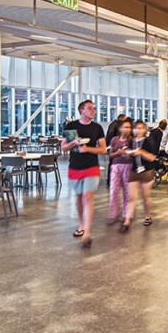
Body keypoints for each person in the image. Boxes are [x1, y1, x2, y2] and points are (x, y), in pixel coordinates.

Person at [61, 99, 107, 247]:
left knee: (88, 197)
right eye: (90, 108)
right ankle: (82, 224)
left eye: (93, 109)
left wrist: (88, 149)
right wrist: (74, 143)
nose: (93, 111)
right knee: (79, 197)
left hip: (92, 167)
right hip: (74, 167)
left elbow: (103, 149)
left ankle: (87, 232)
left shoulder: (97, 128)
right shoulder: (71, 127)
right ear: (82, 111)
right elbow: (64, 148)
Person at [127, 120, 159, 227]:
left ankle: (148, 216)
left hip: (147, 171)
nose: (138, 130)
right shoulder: (131, 141)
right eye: (136, 128)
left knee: (145, 196)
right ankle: (127, 219)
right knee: (131, 196)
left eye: (141, 128)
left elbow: (152, 157)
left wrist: (141, 152)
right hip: (134, 171)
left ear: (145, 129)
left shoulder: (149, 141)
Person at [107, 119, 134, 232]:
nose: (127, 130)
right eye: (125, 127)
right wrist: (117, 153)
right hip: (115, 167)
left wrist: (127, 154)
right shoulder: (114, 140)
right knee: (114, 190)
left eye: (129, 127)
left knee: (127, 192)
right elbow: (110, 155)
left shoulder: (131, 141)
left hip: (128, 167)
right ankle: (113, 213)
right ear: (120, 128)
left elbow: (133, 156)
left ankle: (126, 214)